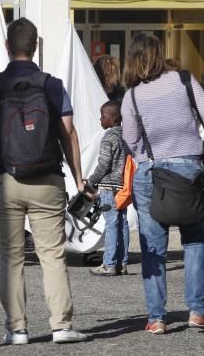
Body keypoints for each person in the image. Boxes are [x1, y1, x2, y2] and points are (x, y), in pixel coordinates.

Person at [0, 18, 89, 345]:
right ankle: (61, 326)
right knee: (52, 255)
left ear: (7, 47)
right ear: (36, 46)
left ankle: (17, 329)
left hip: (3, 180)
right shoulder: (52, 85)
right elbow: (68, 132)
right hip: (47, 179)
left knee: (11, 258)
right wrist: (79, 178)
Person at [121, 33, 204, 334]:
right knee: (195, 238)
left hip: (150, 172)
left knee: (152, 243)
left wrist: (148, 157)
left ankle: (156, 317)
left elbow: (130, 139)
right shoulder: (183, 80)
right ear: (159, 53)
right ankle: (198, 311)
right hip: (188, 169)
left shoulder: (131, 96)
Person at [86, 101, 129, 276]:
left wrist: (91, 181)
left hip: (108, 186)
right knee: (122, 223)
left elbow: (104, 164)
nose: (100, 119)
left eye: (103, 116)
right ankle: (122, 262)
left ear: (114, 119)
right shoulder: (126, 136)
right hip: (122, 186)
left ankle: (109, 263)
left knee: (111, 223)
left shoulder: (109, 137)